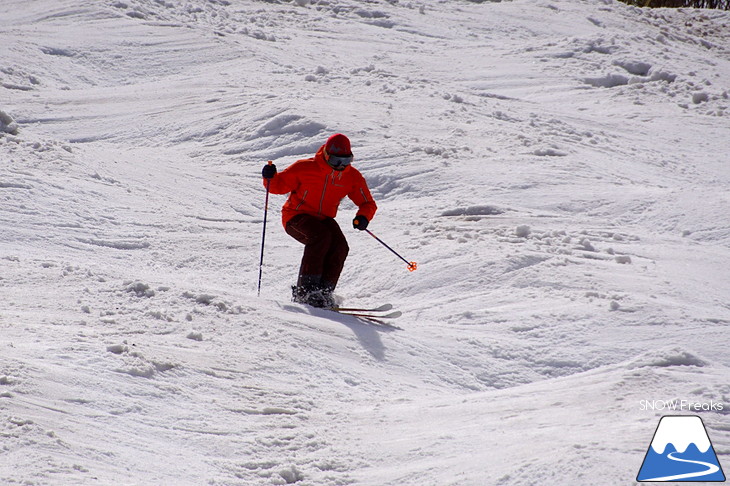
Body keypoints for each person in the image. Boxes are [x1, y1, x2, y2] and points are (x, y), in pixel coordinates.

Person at [261, 133, 377, 308]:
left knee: (340, 246)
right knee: (321, 237)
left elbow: (367, 203)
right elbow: (277, 186)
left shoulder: (352, 176)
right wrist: (270, 177)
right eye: (337, 160)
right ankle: (306, 292)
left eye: (346, 161)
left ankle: (324, 292)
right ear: (326, 155)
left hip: (323, 218)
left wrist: (363, 216)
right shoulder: (304, 168)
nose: (341, 166)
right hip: (296, 216)